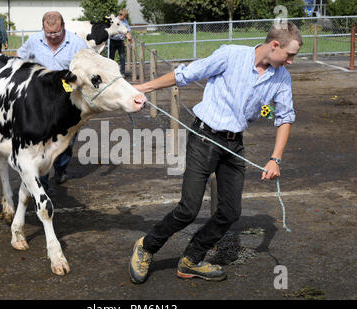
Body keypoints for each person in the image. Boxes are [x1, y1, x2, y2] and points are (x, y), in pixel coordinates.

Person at [129, 22, 303, 284]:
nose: (291, 61)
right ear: (274, 45)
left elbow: (285, 117)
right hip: (203, 137)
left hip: (234, 145)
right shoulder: (231, 55)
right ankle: (146, 246)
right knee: (188, 209)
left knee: (230, 212)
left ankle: (191, 260)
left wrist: (275, 158)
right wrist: (143, 89)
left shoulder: (281, 78)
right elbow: (185, 74)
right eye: (290, 55)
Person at [17, 11, 88, 190]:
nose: (53, 36)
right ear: (43, 29)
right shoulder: (34, 41)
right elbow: (20, 58)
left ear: (63, 26)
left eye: (56, 32)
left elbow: (88, 65)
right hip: (40, 97)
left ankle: (61, 167)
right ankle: (42, 180)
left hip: (68, 97)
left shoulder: (77, 43)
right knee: (41, 138)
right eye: (49, 33)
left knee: (68, 138)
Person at [109, 8, 132, 76]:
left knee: (122, 58)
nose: (124, 18)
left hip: (121, 41)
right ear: (120, 14)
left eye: (125, 17)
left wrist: (129, 38)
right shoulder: (114, 20)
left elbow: (127, 30)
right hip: (113, 41)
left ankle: (122, 72)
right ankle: (111, 72)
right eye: (124, 16)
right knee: (111, 57)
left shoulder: (125, 21)